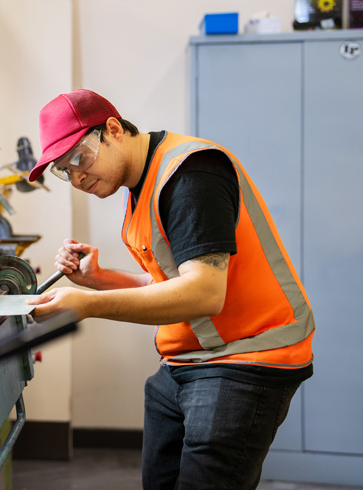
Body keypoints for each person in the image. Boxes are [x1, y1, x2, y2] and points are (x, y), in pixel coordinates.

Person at [25, 89, 314, 490]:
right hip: (189, 359)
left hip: (248, 353)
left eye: (79, 158)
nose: (77, 177)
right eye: (64, 170)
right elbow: (171, 285)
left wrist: (87, 305)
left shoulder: (190, 175)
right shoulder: (140, 188)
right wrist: (98, 278)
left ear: (113, 130)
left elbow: (204, 293)